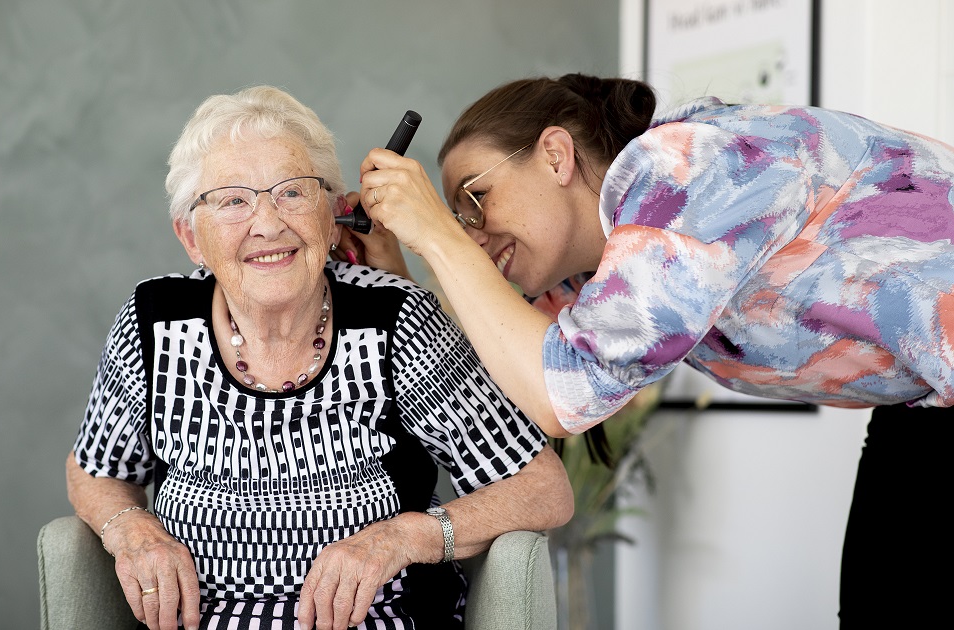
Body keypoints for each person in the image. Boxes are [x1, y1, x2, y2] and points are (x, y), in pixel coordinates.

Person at [348, 73, 954, 627]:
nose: (473, 237)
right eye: (458, 218)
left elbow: (565, 394)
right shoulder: (593, 275)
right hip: (927, 400)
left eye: (476, 200)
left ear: (555, 156)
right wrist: (394, 265)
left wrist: (435, 232)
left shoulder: (685, 169)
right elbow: (503, 384)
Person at [66, 85, 574, 630]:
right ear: (192, 237)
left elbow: (541, 491)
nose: (267, 224)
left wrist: (402, 536)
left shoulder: (396, 320)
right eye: (234, 199)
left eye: (291, 193)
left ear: (333, 216)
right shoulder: (156, 319)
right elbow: (94, 469)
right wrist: (128, 526)